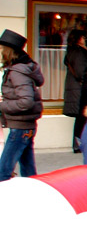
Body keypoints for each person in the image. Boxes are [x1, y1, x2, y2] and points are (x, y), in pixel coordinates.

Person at [0, 29, 44, 181]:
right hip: (25, 125)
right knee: (28, 169)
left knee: (3, 171)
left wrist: (2, 105)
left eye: (1, 48)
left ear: (8, 50)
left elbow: (25, 101)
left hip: (20, 126)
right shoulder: (22, 69)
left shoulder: (17, 72)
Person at [62, 29, 87, 153]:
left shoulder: (73, 51)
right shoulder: (79, 52)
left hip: (78, 88)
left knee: (82, 117)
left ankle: (80, 143)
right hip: (81, 89)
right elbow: (81, 72)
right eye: (83, 37)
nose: (85, 39)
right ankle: (78, 144)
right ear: (79, 38)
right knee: (82, 118)